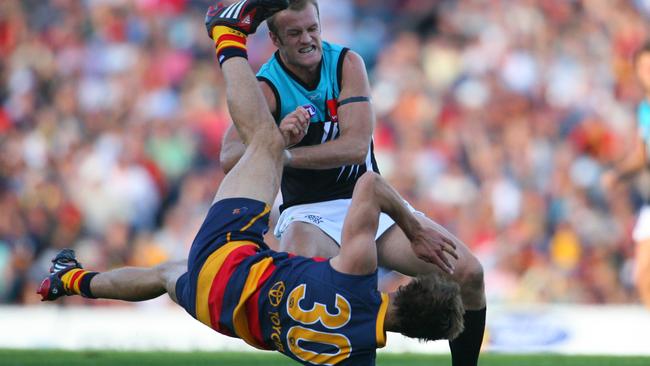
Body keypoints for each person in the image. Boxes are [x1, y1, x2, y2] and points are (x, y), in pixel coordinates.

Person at [37, 2, 465, 365]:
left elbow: (369, 183)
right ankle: (68, 280)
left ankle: (227, 36)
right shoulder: (359, 355)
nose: (308, 37)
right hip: (221, 309)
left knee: (263, 141)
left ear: (406, 287)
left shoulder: (359, 273)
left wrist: (411, 227)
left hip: (233, 257)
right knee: (164, 275)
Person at [219, 1, 486, 364]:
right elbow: (228, 158)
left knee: (469, 273)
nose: (308, 39)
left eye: (312, 29)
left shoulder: (346, 63)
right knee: (303, 298)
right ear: (275, 38)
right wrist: (277, 136)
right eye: (295, 33)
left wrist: (281, 152)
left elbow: (355, 146)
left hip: (368, 200)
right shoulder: (267, 86)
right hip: (307, 212)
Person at [602, 40, 650, 309]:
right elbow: (643, 157)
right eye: (643, 67)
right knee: (642, 274)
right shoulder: (644, 108)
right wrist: (618, 174)